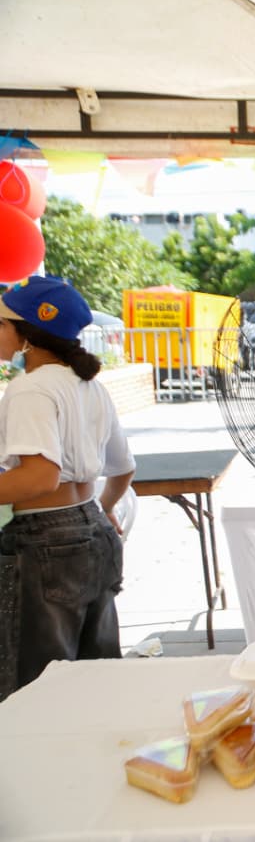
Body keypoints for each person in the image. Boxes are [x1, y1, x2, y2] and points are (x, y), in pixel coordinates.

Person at [0, 276, 135, 700]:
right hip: (93, 532)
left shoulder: (29, 388)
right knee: (97, 682)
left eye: (2, 324)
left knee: (40, 690)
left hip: (45, 543)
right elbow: (124, 469)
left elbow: (39, 477)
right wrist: (105, 509)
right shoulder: (90, 386)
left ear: (28, 337)